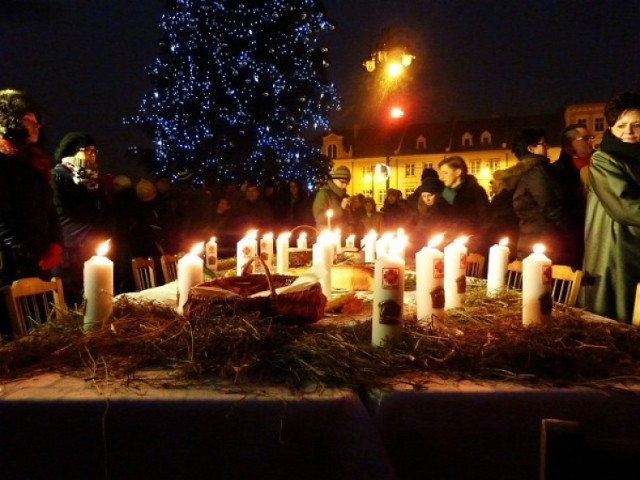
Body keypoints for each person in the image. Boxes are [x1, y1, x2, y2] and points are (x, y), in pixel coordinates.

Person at [0, 89, 62, 334]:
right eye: (27, 120)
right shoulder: (2, 164)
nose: (35, 125)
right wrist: (36, 252)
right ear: (8, 123)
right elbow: (2, 220)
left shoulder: (35, 164)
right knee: (17, 333)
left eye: (37, 121)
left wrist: (55, 244)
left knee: (42, 328)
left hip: (37, 262)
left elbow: (50, 209)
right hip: (10, 266)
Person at [581, 91, 640, 323]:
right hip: (616, 253)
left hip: (634, 249)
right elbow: (625, 207)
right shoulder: (603, 159)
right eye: (621, 125)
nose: (628, 132)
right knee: (618, 319)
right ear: (611, 129)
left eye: (637, 124)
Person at [51, 131, 110, 305]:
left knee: (95, 297)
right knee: (74, 300)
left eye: (94, 152)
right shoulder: (58, 176)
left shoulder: (92, 178)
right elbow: (59, 211)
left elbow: (102, 210)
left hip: (91, 245)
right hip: (70, 248)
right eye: (87, 150)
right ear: (72, 151)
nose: (92, 155)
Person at [494, 129, 566, 262]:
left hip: (527, 236)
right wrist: (564, 227)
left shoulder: (521, 173)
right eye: (543, 144)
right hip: (543, 239)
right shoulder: (536, 171)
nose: (547, 147)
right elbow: (549, 204)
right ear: (531, 148)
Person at [550, 123, 594, 269]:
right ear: (571, 143)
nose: (591, 141)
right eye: (586, 138)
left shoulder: (599, 164)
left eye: (590, 137)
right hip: (571, 240)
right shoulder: (556, 172)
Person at [437, 155, 489, 252]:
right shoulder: (444, 195)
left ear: (458, 172)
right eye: (441, 174)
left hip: (470, 248)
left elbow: (485, 222)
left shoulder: (475, 192)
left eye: (445, 173)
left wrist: (476, 244)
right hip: (447, 248)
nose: (441, 177)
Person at [312, 165, 352, 231]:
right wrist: (341, 208)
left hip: (341, 234)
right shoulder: (323, 194)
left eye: (347, 183)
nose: (345, 185)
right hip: (328, 236)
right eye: (342, 182)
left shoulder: (344, 195)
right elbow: (319, 218)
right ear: (334, 179)